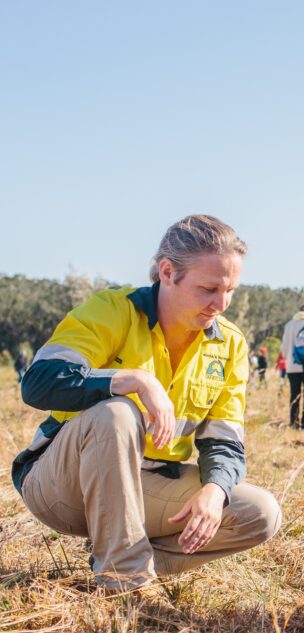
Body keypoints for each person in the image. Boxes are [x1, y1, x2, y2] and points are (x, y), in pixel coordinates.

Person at [12, 215, 282, 592]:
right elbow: (39, 382)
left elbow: (225, 438)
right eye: (208, 288)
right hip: (61, 487)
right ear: (168, 272)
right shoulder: (112, 309)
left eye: (230, 290)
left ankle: (118, 556)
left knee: (259, 514)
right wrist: (130, 380)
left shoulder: (231, 345)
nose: (220, 304)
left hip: (147, 485)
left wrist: (215, 489)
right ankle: (128, 581)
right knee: (117, 412)